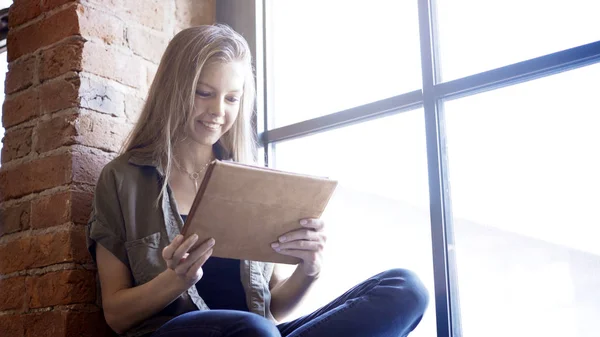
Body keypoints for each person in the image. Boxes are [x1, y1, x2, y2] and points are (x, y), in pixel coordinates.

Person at [86, 24, 429, 337]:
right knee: (255, 330)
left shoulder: (249, 182)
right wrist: (174, 280)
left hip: (258, 332)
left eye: (232, 98)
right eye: (203, 93)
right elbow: (116, 315)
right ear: (173, 90)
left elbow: (273, 306)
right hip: (178, 333)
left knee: (405, 289)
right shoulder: (123, 179)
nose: (218, 111)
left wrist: (309, 270)